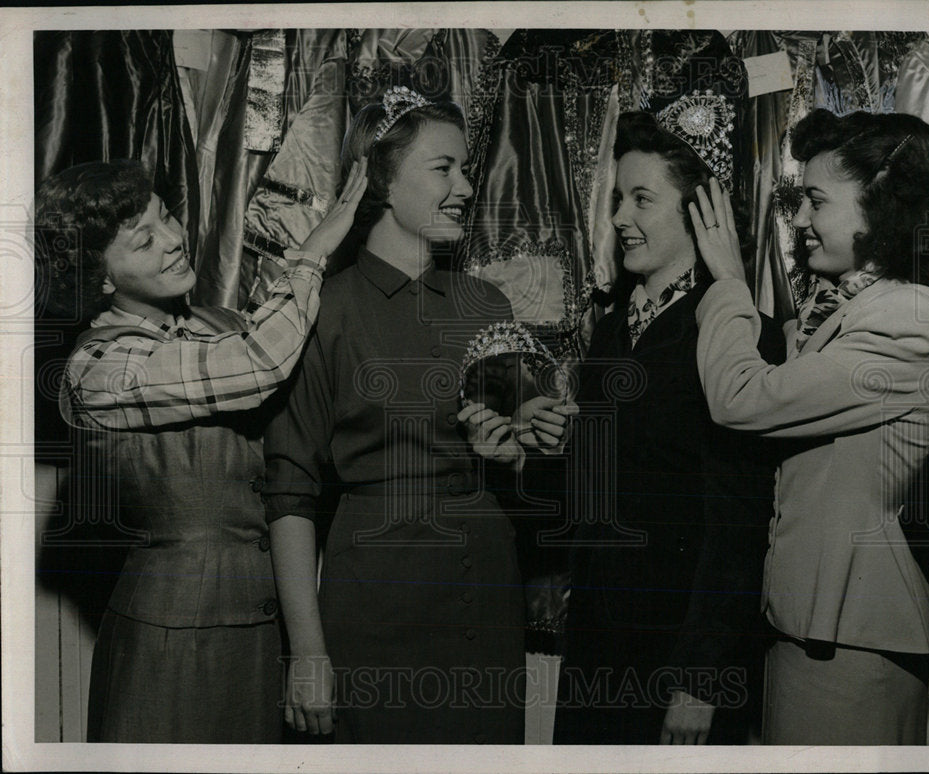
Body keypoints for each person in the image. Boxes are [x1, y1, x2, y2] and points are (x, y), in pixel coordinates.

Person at [262, 87, 574, 744]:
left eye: (466, 168)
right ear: (381, 177)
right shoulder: (323, 307)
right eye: (443, 168)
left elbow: (525, 465)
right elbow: (290, 493)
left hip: (485, 588)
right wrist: (308, 654)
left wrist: (532, 446)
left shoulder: (487, 305)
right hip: (374, 590)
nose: (465, 185)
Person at [43, 157, 366, 742]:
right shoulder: (97, 366)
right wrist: (313, 253)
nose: (173, 241)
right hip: (170, 642)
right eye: (144, 240)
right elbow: (260, 363)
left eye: (166, 217)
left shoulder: (222, 322)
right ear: (102, 278)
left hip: (266, 633)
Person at [690, 108, 929, 744]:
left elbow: (741, 398)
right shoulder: (863, 305)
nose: (801, 220)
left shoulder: (913, 317)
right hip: (818, 625)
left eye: (817, 200)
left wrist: (730, 283)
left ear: (882, 201)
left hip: (847, 638)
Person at [552, 105, 784, 745]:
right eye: (619, 198)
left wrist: (700, 679)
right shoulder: (608, 331)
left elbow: (739, 525)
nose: (620, 217)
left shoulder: (738, 337)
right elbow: (589, 503)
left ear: (700, 213)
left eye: (642, 200)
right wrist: (546, 446)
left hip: (678, 662)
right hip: (596, 651)